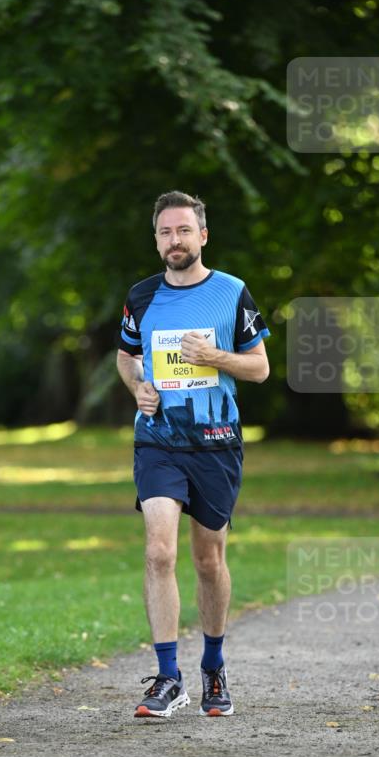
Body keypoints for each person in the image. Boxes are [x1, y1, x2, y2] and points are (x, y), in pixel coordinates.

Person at [116, 190, 270, 719]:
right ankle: (167, 677)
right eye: (165, 232)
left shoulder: (232, 293)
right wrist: (137, 385)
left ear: (202, 235)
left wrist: (215, 357)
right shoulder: (140, 297)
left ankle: (212, 666)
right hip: (157, 439)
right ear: (156, 238)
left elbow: (261, 368)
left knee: (208, 559)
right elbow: (125, 355)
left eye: (183, 230)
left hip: (216, 443)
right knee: (159, 551)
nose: (174, 240)